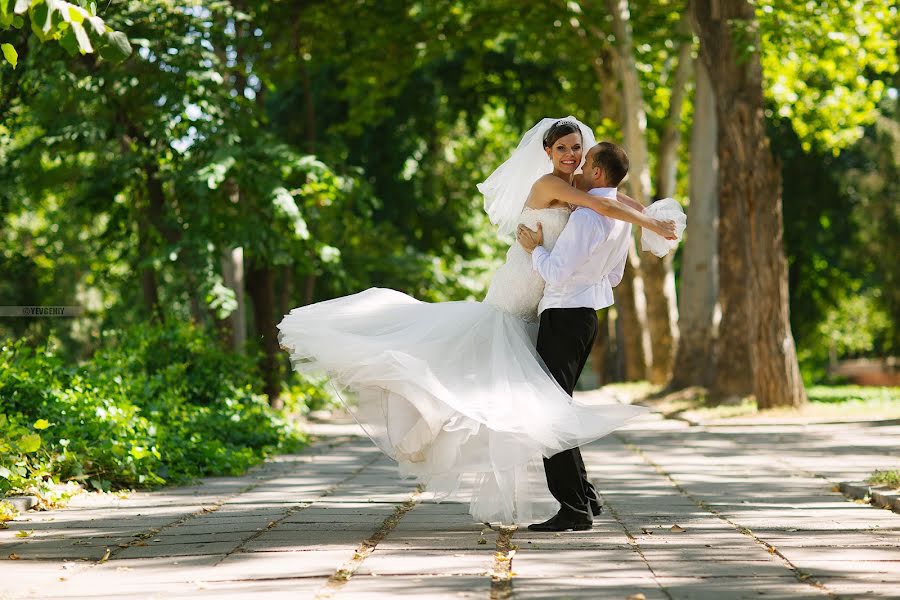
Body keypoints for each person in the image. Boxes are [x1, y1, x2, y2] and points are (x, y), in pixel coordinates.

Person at [277, 118, 681, 524]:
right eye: (562, 149)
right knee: (493, 377)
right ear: (547, 153)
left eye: (577, 148)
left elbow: (615, 200)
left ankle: (580, 500)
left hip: (551, 303)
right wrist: (649, 224)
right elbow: (605, 205)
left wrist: (652, 219)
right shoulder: (549, 186)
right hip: (521, 290)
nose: (571, 155)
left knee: (547, 407)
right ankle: (404, 386)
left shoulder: (584, 186)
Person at [516, 141, 684, 531]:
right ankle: (585, 498)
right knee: (557, 408)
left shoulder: (588, 218)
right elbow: (614, 276)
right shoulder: (619, 220)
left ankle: (573, 508)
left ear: (596, 172)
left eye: (585, 159)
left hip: (563, 315)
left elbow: (555, 273)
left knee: (550, 415)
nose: (578, 165)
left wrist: (536, 249)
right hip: (586, 316)